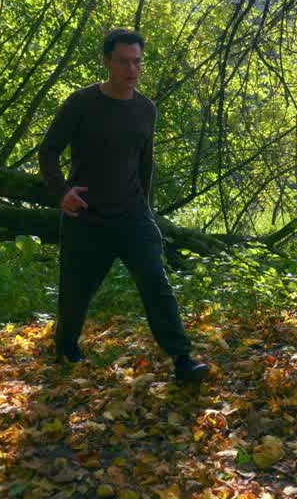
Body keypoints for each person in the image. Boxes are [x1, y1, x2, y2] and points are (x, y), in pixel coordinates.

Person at [37, 28, 209, 385]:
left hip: (132, 216)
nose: (131, 69)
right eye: (123, 62)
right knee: (75, 290)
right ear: (107, 62)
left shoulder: (146, 109)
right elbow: (48, 150)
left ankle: (182, 360)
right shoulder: (80, 104)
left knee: (155, 282)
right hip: (86, 217)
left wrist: (146, 208)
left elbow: (145, 163)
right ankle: (66, 344)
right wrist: (61, 192)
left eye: (137, 62)